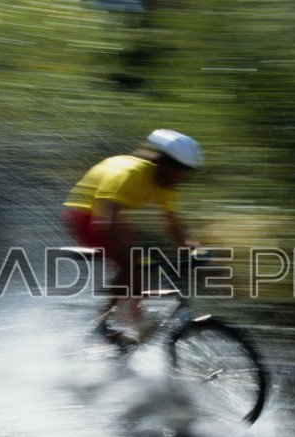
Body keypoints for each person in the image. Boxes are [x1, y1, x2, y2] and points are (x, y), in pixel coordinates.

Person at [62, 129, 202, 343]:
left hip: (112, 217)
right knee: (133, 263)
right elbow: (105, 222)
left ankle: (129, 323)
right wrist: (130, 263)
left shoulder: (165, 183)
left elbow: (171, 222)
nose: (180, 176)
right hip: (83, 215)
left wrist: (191, 246)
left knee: (140, 266)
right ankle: (104, 323)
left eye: (185, 171)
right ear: (160, 162)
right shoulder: (129, 173)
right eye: (176, 169)